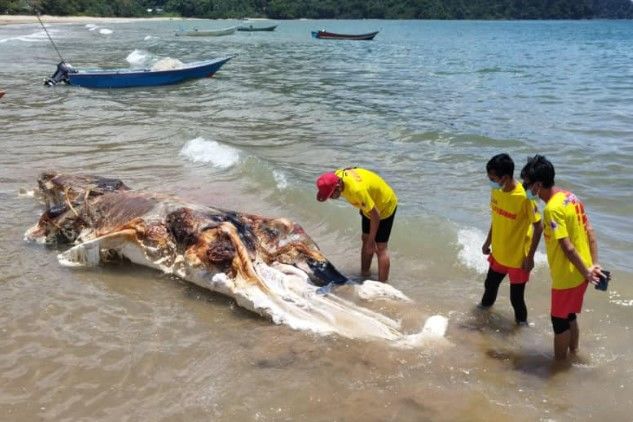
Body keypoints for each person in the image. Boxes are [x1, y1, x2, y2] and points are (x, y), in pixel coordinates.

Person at [520, 155, 604, 360]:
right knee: (570, 316)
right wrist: (593, 265)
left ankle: (559, 366)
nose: (526, 188)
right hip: (581, 273)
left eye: (527, 184)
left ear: (538, 185)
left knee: (558, 321)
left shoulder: (551, 209)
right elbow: (590, 231)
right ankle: (574, 353)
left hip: (568, 276)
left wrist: (586, 270)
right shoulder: (571, 197)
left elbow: (567, 247)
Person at [479, 154, 543, 325]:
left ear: (505, 178)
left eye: (492, 178)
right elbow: (496, 217)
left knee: (516, 299)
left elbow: (539, 226)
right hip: (499, 252)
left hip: (518, 258)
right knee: (489, 286)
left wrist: (530, 257)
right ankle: (481, 321)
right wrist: (487, 242)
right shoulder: (496, 190)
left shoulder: (524, 198)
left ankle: (522, 332)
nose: (490, 181)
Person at [316, 167, 397, 282]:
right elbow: (351, 168)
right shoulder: (338, 175)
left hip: (385, 205)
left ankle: (383, 284)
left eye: (330, 195)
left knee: (380, 247)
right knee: (365, 238)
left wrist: (371, 240)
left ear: (338, 187)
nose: (330, 198)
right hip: (369, 203)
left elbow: (376, 215)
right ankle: (364, 275)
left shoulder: (357, 191)